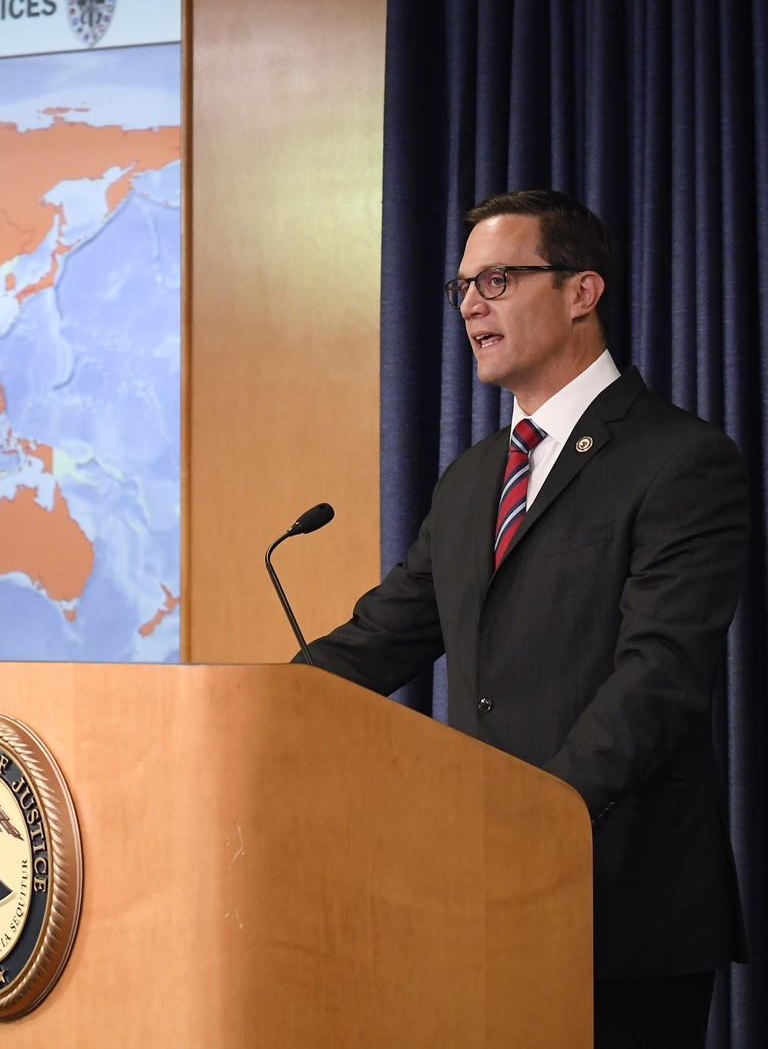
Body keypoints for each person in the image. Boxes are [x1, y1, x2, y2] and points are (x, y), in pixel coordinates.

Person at [301, 190, 749, 1048]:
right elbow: (381, 637)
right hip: (477, 901)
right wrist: (247, 709)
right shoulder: (474, 478)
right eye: (462, 286)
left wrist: (537, 817)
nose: (471, 305)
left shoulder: (682, 461)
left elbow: (659, 677)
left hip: (622, 908)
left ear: (582, 291)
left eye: (498, 280)